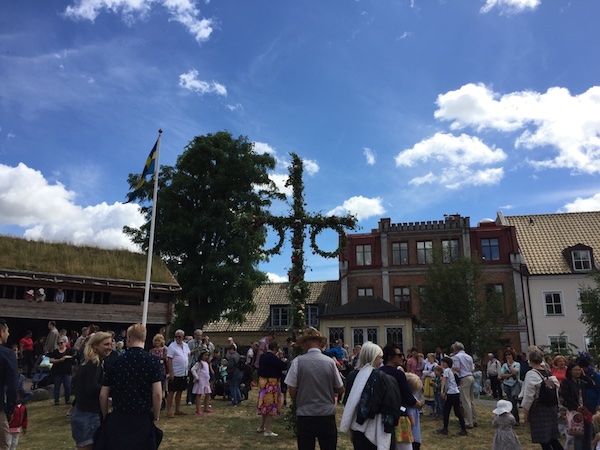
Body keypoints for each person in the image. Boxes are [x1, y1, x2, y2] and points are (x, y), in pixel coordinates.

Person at [98, 323, 163, 450]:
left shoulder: (116, 361)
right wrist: (156, 415)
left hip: (119, 418)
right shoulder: (153, 361)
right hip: (141, 418)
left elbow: (103, 394)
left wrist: (105, 415)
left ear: (128, 338)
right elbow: (157, 393)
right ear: (145, 338)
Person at [286, 327, 345, 450]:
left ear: (306, 343)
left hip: (305, 413)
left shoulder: (298, 361)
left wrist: (301, 395)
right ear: (320, 343)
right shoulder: (330, 362)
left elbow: (292, 389)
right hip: (326, 413)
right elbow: (340, 389)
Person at [340, 341, 400, 450]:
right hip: (368, 422)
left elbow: (347, 401)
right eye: (380, 357)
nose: (381, 361)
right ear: (373, 357)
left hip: (358, 423)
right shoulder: (381, 377)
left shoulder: (354, 375)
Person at [70, 331, 112, 450]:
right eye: (106, 344)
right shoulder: (94, 363)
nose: (109, 347)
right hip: (88, 415)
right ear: (95, 345)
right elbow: (91, 388)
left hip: (86, 413)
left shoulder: (94, 362)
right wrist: (108, 388)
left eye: (110, 344)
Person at [521, 347, 563, 450]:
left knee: (544, 440)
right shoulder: (548, 373)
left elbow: (529, 395)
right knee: (553, 438)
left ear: (530, 361)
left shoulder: (531, 374)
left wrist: (526, 411)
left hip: (540, 409)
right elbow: (555, 391)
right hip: (552, 408)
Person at [256, 341, 287, 437]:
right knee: (270, 407)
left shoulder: (262, 357)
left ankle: (261, 426)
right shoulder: (273, 358)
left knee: (264, 405)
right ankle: (268, 430)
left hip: (263, 383)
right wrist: (281, 357)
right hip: (271, 384)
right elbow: (283, 366)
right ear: (275, 349)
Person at [437, 356, 468, 436]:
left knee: (446, 411)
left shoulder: (447, 370)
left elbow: (443, 380)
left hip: (451, 393)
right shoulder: (451, 371)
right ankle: (463, 429)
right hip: (456, 392)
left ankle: (445, 429)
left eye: (444, 362)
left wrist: (442, 390)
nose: (442, 364)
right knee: (457, 412)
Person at [1, 319, 19, 450]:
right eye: (7, 331)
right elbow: (13, 385)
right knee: (3, 444)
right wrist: (10, 408)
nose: (8, 333)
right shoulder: (7, 354)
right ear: (1, 332)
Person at [560, 362, 586, 450]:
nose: (578, 372)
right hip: (572, 410)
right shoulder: (566, 382)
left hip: (583, 409)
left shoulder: (582, 382)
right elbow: (565, 395)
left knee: (584, 434)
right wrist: (575, 406)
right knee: (576, 433)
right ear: (570, 371)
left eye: (579, 370)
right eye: (575, 370)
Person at [451, 341, 477, 428]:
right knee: (471, 400)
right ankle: (474, 419)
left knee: (465, 401)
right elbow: (472, 368)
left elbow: (458, 369)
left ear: (455, 349)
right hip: (471, 376)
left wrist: (452, 366)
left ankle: (469, 422)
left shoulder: (457, 357)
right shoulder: (469, 356)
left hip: (464, 377)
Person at [166, 329, 190, 418]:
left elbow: (188, 355)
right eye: (176, 336)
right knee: (171, 392)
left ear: (183, 337)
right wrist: (171, 372)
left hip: (183, 372)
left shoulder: (186, 346)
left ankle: (177, 409)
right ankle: (169, 411)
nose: (178, 338)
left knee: (180, 391)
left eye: (179, 337)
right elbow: (169, 360)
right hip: (175, 372)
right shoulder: (172, 346)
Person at [48, 336, 74, 406]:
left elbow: (74, 357)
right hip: (57, 372)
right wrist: (59, 360)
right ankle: (56, 401)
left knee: (67, 386)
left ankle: (67, 400)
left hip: (67, 371)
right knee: (57, 387)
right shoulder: (55, 351)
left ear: (65, 343)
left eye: (61, 343)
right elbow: (50, 360)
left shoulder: (69, 350)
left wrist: (67, 357)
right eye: (58, 343)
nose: (60, 344)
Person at [500, 348, 521, 426]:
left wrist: (509, 366)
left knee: (513, 401)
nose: (508, 356)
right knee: (509, 402)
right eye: (506, 355)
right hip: (506, 385)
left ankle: (516, 419)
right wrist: (510, 375)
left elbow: (515, 372)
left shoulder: (517, 364)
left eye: (509, 354)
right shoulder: (504, 365)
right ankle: (510, 419)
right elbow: (502, 375)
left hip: (514, 384)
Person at [148, 334, 168, 410]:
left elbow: (167, 361)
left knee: (162, 387)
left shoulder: (165, 349)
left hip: (162, 370)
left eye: (158, 340)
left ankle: (162, 403)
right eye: (155, 340)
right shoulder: (151, 351)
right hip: (153, 370)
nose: (157, 342)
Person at [190, 349, 213, 416]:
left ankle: (206, 407)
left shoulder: (206, 363)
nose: (206, 357)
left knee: (208, 394)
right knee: (199, 395)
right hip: (200, 380)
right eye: (205, 355)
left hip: (206, 381)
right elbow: (193, 369)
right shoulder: (199, 363)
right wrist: (196, 377)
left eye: (207, 355)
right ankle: (198, 409)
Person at [405, 372, 423, 450]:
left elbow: (411, 421)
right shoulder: (415, 400)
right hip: (417, 435)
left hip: (411, 436)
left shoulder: (410, 402)